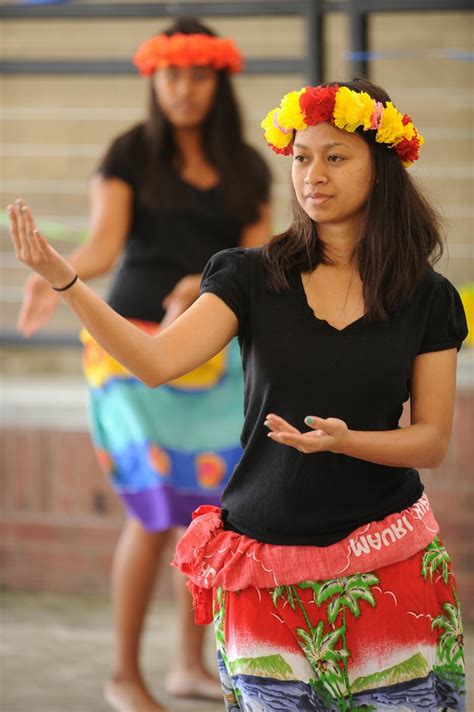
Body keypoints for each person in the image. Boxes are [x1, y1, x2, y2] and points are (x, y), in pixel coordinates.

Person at [8, 77, 468, 711]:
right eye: (302, 157)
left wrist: (347, 440)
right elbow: (155, 361)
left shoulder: (428, 296)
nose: (314, 175)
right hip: (263, 566)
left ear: (381, 169)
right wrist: (68, 282)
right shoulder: (250, 275)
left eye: (336, 156)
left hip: (386, 561)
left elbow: (433, 440)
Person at [14, 17, 271, 712]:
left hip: (215, 353)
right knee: (154, 508)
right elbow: (103, 244)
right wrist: (55, 274)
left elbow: (255, 263)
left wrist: (204, 283)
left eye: (197, 75)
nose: (183, 89)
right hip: (129, 346)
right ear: (154, 80)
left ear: (218, 80)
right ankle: (123, 675)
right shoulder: (130, 153)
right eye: (171, 75)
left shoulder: (247, 167)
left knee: (212, 512)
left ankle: (190, 665)